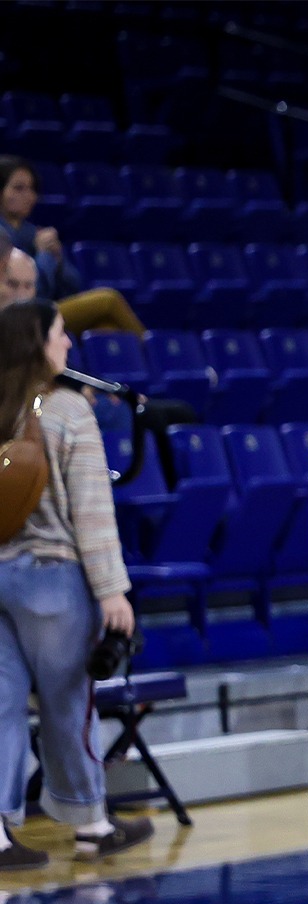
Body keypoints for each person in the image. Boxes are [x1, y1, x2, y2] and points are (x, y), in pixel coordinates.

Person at [0, 298, 143, 870]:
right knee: (68, 703)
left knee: (2, 706)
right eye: (60, 334)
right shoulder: (67, 409)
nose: (68, 344)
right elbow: (91, 511)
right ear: (38, 344)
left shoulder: (3, 408)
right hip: (53, 580)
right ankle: (91, 823)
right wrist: (113, 591)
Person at [0, 158, 144, 335]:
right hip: (18, 315)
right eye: (18, 188)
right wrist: (44, 255)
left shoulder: (33, 232)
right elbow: (31, 291)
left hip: (45, 309)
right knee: (109, 300)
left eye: (32, 189)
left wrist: (58, 258)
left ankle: (142, 359)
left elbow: (73, 287)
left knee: (106, 326)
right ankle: (152, 354)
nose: (29, 196)